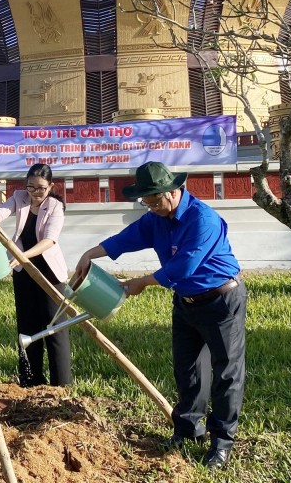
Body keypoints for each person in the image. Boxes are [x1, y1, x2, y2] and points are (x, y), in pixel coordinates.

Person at [73, 161, 246, 470]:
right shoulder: (155, 218)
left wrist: (141, 282)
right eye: (146, 201)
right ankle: (188, 430)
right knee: (187, 367)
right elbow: (125, 239)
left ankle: (222, 443)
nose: (150, 206)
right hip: (186, 301)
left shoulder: (202, 219)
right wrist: (89, 254)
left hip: (221, 301)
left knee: (226, 372)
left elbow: (184, 267)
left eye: (154, 200)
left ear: (174, 191)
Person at [0, 163, 72, 387]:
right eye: (31, 187)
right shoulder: (19, 197)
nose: (36, 193)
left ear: (51, 186)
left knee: (55, 327)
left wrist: (22, 256)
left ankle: (61, 385)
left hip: (50, 273)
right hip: (23, 272)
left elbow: (49, 240)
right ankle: (31, 382)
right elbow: (0, 212)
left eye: (41, 188)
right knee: (27, 327)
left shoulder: (55, 206)